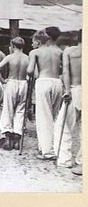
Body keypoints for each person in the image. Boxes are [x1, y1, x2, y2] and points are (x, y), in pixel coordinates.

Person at [27, 30, 63, 160]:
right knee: (55, 116)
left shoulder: (35, 52)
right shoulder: (59, 51)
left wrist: (34, 69)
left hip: (43, 82)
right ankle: (56, 147)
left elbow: (30, 71)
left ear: (37, 42)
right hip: (57, 82)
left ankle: (46, 150)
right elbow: (63, 69)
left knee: (43, 116)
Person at [0, 37, 29, 150]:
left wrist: (3, 81)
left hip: (11, 82)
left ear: (12, 46)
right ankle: (17, 139)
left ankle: (8, 138)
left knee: (8, 109)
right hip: (23, 83)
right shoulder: (27, 58)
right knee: (20, 110)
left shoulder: (10, 57)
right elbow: (33, 73)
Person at [54, 29, 82, 174]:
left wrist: (66, 90)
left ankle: (65, 159)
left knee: (64, 125)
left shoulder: (70, 51)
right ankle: (82, 161)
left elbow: (65, 71)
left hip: (74, 89)